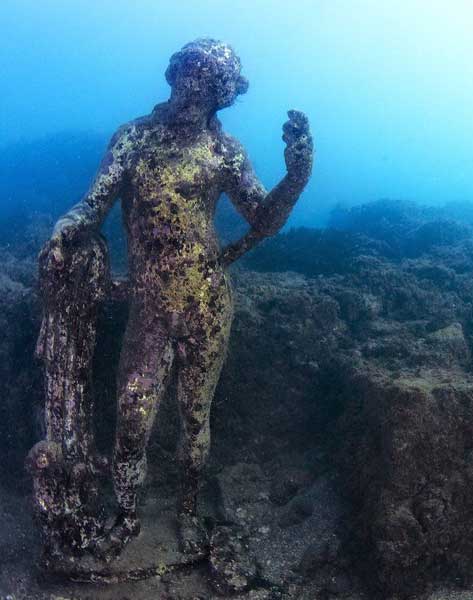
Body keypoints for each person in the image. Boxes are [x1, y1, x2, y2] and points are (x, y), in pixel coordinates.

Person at [43, 38, 314, 557]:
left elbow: (264, 220)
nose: (196, 87)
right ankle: (126, 517)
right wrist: (67, 227)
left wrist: (296, 178)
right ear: (174, 74)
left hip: (206, 303)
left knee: (194, 418)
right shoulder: (134, 139)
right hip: (149, 307)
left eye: (211, 83)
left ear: (222, 95)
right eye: (192, 72)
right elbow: (93, 205)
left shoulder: (224, 152)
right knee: (132, 418)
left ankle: (187, 511)